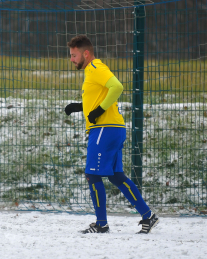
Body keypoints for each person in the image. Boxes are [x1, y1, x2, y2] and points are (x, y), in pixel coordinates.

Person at [63, 35, 159, 234]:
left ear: (86, 53)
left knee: (92, 175)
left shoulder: (96, 68)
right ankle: (148, 215)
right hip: (113, 128)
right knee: (116, 176)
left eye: (74, 55)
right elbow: (100, 96)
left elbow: (117, 87)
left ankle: (101, 223)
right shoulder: (91, 71)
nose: (71, 59)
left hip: (104, 129)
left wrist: (98, 111)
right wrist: (80, 107)